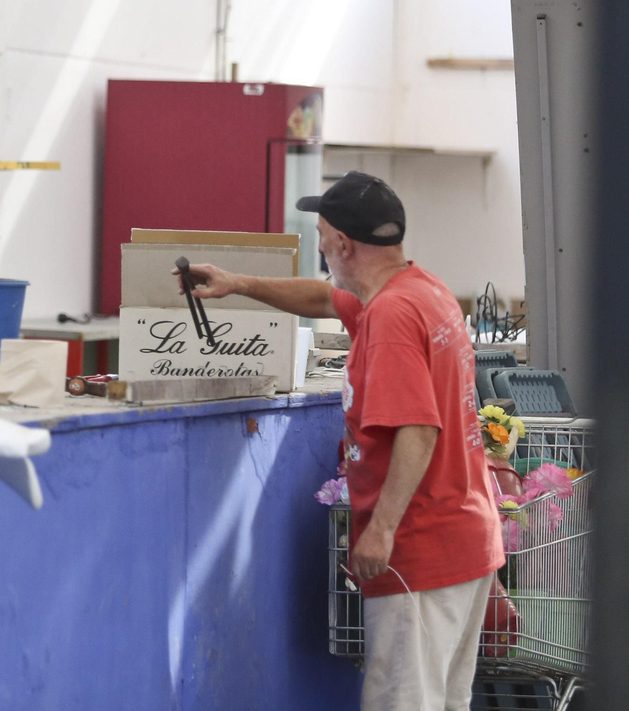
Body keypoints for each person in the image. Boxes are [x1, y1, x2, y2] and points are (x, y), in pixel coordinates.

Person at [180, 171, 502, 711]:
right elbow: (324, 298)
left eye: (323, 234)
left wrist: (381, 531)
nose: (321, 244)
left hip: (418, 551)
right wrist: (237, 282)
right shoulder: (418, 290)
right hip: (464, 539)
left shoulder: (393, 316)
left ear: (344, 244)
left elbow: (419, 430)